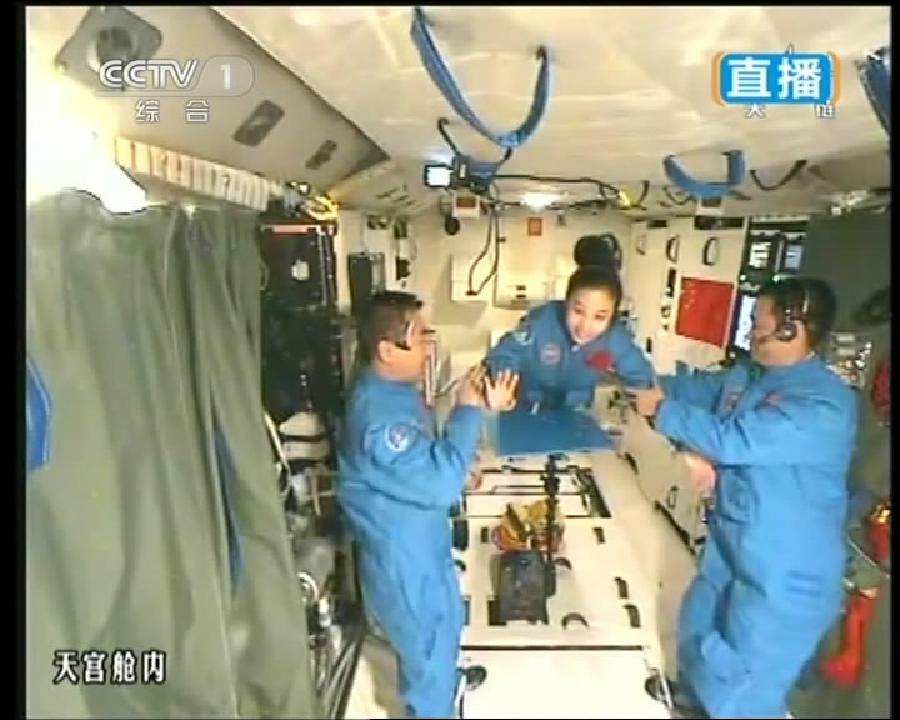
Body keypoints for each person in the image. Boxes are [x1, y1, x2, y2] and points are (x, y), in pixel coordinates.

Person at [631, 277, 859, 719]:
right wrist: (634, 376)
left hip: (786, 574)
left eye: (758, 322)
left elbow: (732, 440)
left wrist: (661, 412)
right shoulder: (750, 375)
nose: (749, 331)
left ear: (791, 330)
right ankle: (694, 704)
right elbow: (697, 391)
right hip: (731, 547)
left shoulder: (823, 405)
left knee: (743, 690)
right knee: (697, 634)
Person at [337, 291, 518, 718]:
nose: (427, 345)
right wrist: (470, 411)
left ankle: (448, 684)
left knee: (447, 623)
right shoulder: (377, 420)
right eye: (418, 336)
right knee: (425, 646)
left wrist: (459, 466)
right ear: (386, 349)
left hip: (423, 541)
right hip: (403, 562)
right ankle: (434, 707)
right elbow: (435, 484)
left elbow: (423, 459)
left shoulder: (394, 390)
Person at [486, 259, 654, 412]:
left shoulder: (615, 339)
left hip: (577, 417)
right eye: (578, 311)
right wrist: (503, 386)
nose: (585, 327)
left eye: (600, 317)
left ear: (612, 317)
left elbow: (641, 376)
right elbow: (504, 354)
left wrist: (649, 402)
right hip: (525, 411)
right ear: (567, 302)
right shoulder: (540, 322)